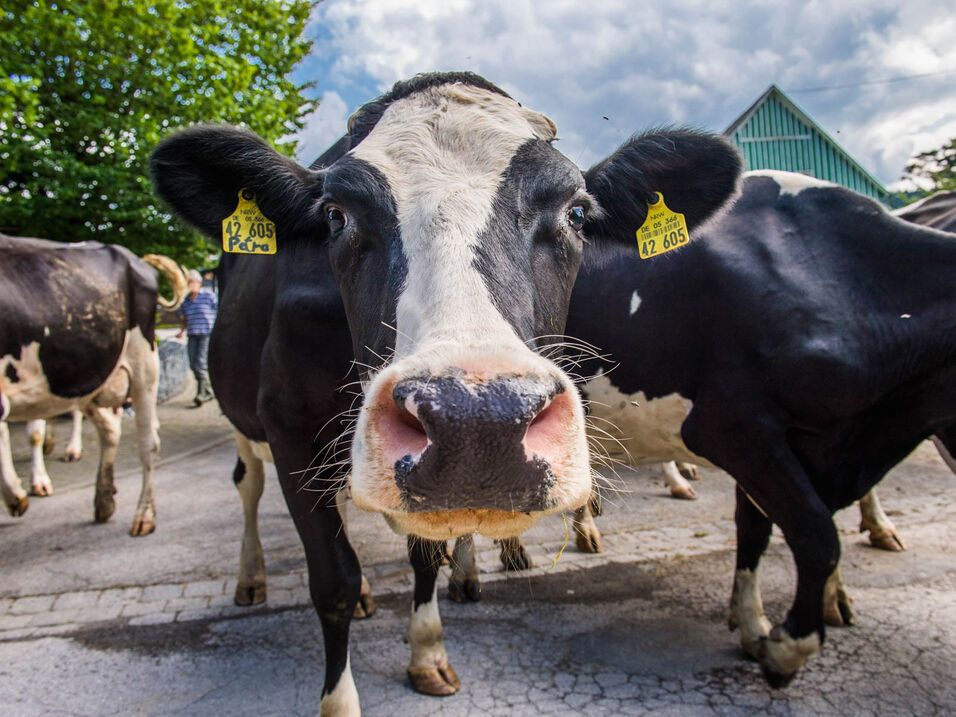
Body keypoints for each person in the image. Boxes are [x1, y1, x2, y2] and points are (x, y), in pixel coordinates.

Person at [176, 269, 217, 406]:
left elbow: (219, 312)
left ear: (199, 283)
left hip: (206, 333)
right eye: (188, 282)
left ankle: (202, 394)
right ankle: (208, 391)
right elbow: (185, 318)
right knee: (193, 364)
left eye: (192, 282)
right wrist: (181, 331)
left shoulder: (208, 296)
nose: (189, 285)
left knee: (200, 363)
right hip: (192, 333)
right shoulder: (185, 301)